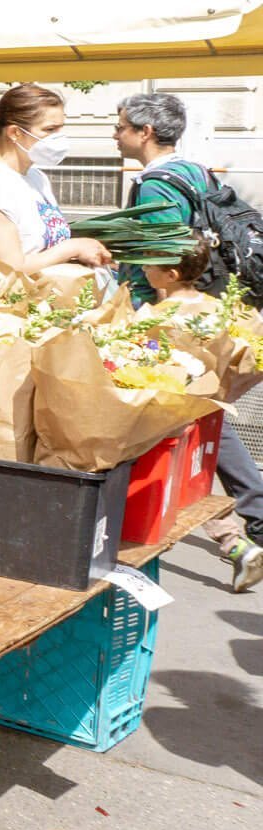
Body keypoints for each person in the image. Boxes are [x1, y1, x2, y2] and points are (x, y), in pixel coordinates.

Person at [137, 247, 263, 591]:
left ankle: (237, 544)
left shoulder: (155, 315)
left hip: (168, 415)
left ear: (170, 275)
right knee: (200, 475)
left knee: (186, 486)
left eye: (150, 264)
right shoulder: (218, 309)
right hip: (210, 411)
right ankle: (241, 540)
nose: (143, 269)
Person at [0, 83, 111, 291]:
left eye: (61, 128)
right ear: (15, 133)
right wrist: (73, 248)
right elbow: (10, 267)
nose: (59, 137)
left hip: (36, 306)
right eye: (50, 129)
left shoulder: (37, 177)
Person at [111, 92, 214, 304]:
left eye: (120, 128)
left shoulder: (154, 186)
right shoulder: (196, 171)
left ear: (145, 132)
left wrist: (162, 318)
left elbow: (165, 258)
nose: (115, 135)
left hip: (154, 306)